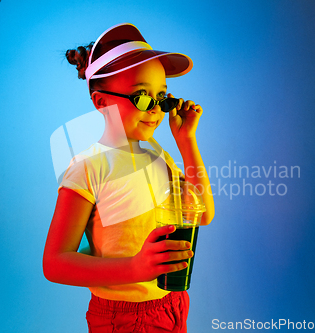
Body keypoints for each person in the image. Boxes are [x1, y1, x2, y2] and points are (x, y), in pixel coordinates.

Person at [43, 23, 215, 333]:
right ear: (101, 102)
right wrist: (135, 267)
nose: (155, 112)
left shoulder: (159, 155)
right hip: (122, 317)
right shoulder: (89, 167)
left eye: (161, 98)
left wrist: (186, 141)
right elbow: (55, 263)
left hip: (172, 304)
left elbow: (202, 214)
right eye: (142, 98)